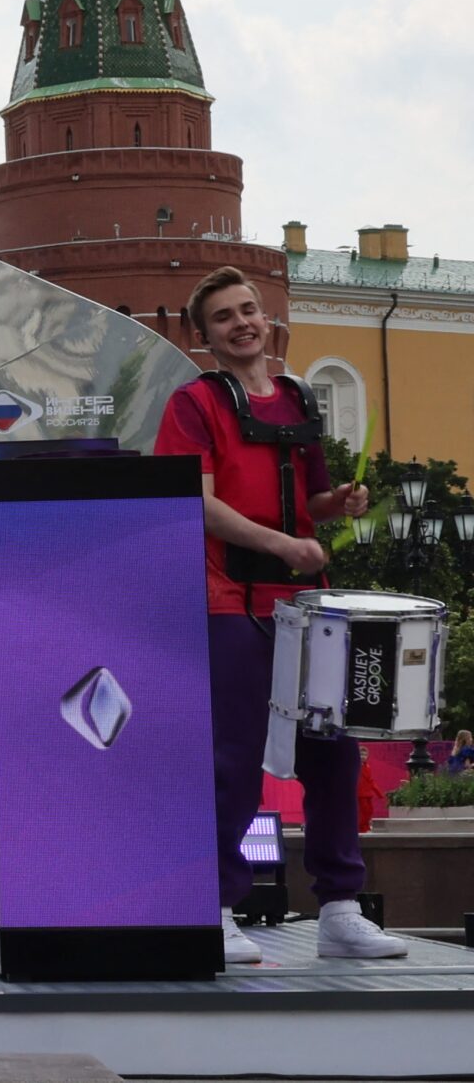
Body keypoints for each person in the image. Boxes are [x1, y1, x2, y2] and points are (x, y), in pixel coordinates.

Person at [153, 268, 411, 963]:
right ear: (203, 336)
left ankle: (340, 910)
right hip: (227, 597)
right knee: (231, 758)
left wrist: (337, 505)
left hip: (303, 602)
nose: (242, 323)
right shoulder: (195, 403)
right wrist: (282, 544)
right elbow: (195, 500)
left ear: (268, 321)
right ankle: (212, 908)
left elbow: (310, 503)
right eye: (224, 316)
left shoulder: (297, 397)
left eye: (249, 310)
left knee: (334, 753)